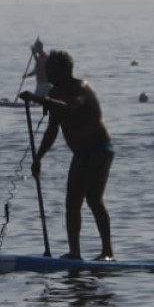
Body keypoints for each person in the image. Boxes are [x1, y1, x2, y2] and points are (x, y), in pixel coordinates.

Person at [25, 49, 114, 261]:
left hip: (99, 150)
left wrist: (41, 101)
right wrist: (38, 157)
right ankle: (75, 253)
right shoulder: (54, 93)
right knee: (72, 203)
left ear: (64, 71)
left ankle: (108, 252)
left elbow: (73, 108)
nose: (47, 74)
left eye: (51, 70)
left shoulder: (82, 88)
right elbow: (52, 129)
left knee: (93, 199)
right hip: (80, 153)